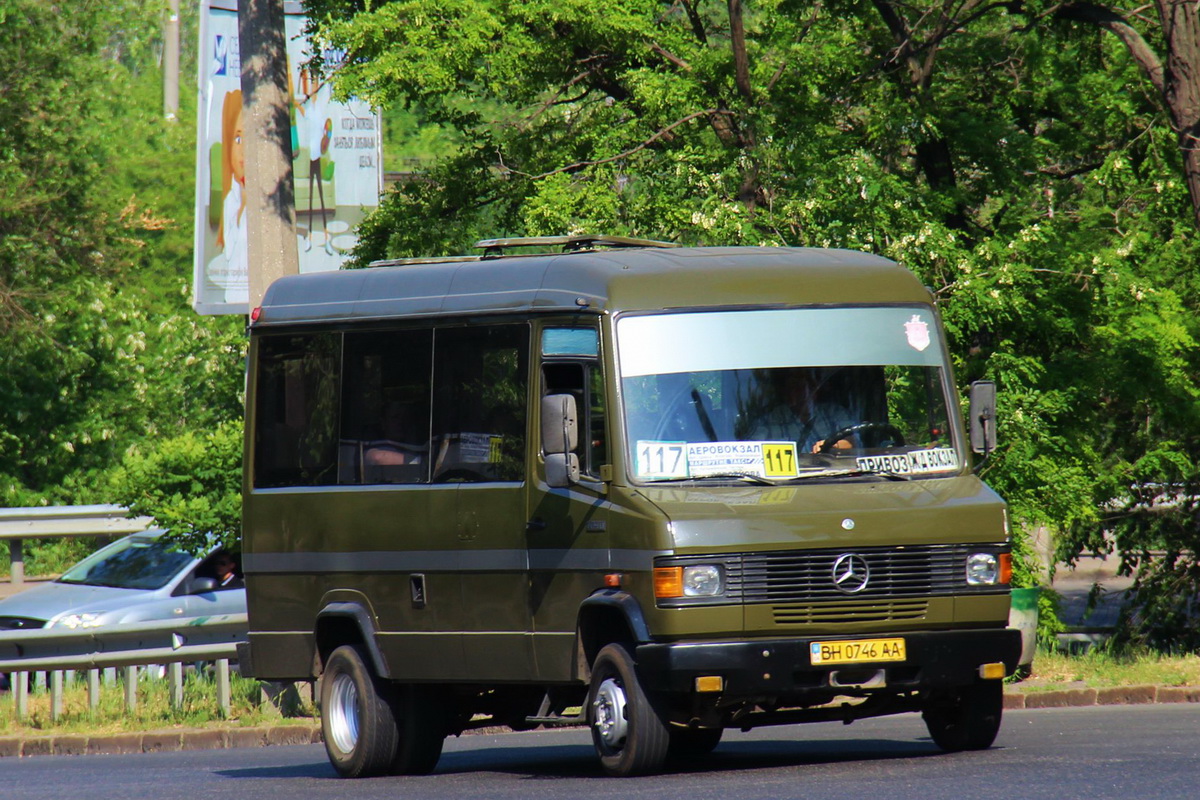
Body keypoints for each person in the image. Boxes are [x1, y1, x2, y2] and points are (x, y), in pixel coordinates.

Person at [750, 368, 859, 453]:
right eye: (793, 386)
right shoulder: (767, 422)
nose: (797, 393)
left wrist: (832, 445)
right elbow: (751, 451)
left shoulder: (834, 413)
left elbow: (854, 443)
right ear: (784, 391)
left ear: (814, 390)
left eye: (802, 386)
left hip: (832, 476)